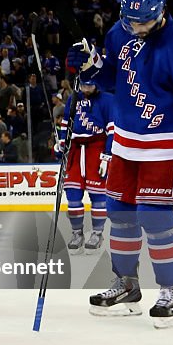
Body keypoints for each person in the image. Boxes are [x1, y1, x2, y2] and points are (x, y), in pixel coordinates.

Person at [68, 0, 173, 328]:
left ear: (161, 12)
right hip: (126, 138)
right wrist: (91, 64)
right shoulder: (119, 32)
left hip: (167, 141)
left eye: (143, 21)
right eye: (130, 20)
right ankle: (126, 284)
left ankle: (172, 291)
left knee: (156, 218)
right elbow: (112, 78)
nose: (136, 27)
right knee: (120, 214)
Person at [54, 76, 114, 254]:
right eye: (83, 85)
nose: (86, 89)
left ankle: (97, 233)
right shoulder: (74, 98)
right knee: (72, 195)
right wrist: (62, 143)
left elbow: (112, 130)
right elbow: (66, 123)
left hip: (96, 148)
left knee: (98, 196)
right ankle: (76, 233)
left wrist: (107, 156)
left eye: (89, 85)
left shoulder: (108, 100)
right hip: (75, 149)